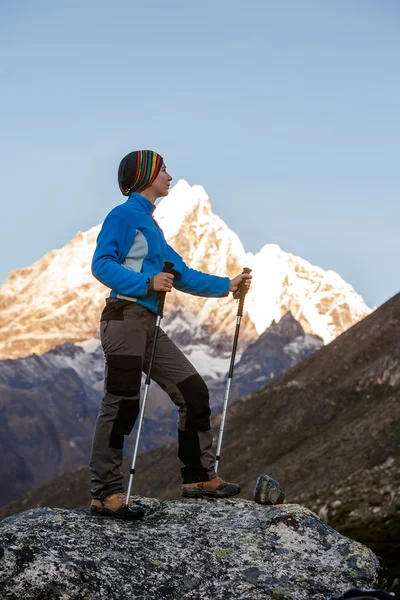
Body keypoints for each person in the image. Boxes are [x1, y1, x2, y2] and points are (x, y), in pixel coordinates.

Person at [89, 150, 252, 520]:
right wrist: (146, 282)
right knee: (121, 403)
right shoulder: (123, 216)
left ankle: (197, 478)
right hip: (124, 319)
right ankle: (105, 493)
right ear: (145, 175)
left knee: (193, 391)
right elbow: (101, 263)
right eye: (162, 169)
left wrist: (229, 285)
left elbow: (181, 274)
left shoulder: (151, 227)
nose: (169, 174)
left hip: (147, 324)